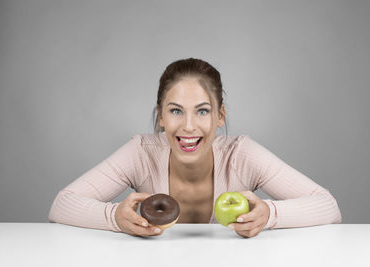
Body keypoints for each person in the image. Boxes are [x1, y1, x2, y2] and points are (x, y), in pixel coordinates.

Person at [48, 58, 342, 238]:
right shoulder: (141, 152)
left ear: (219, 116)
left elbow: (328, 206)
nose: (188, 126)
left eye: (202, 111)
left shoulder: (242, 155)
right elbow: (62, 204)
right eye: (176, 111)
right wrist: (115, 218)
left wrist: (270, 215)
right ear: (161, 117)